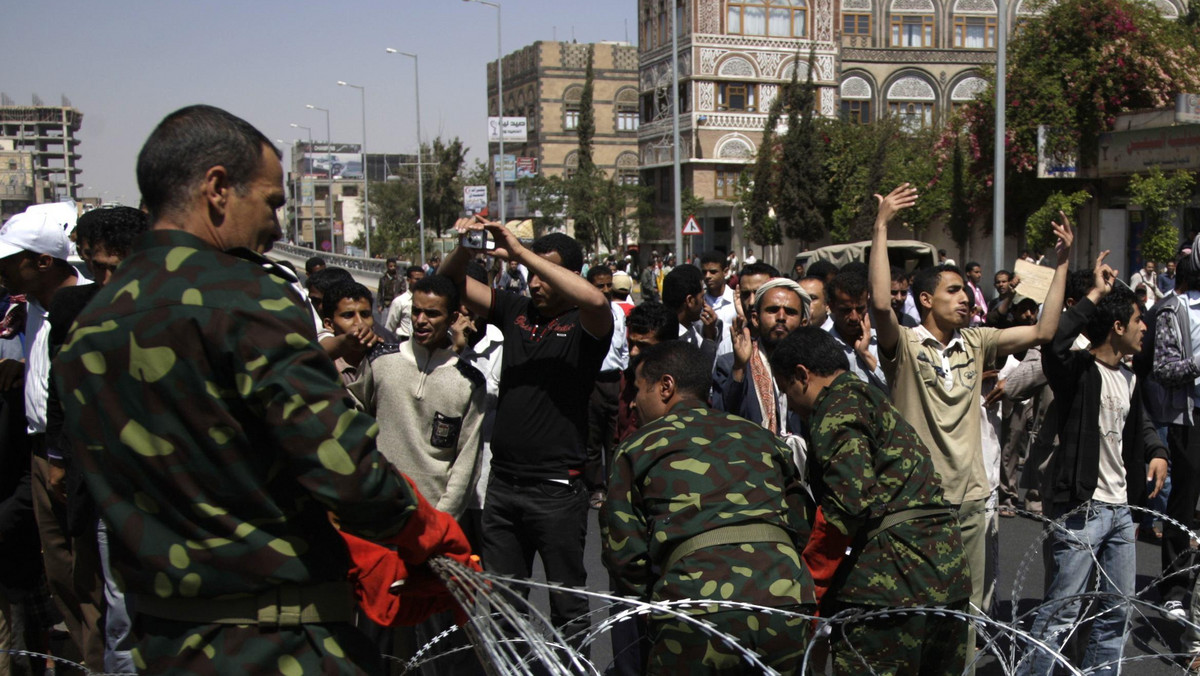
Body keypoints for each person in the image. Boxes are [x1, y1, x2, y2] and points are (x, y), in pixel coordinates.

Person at [54, 104, 475, 672]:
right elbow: (343, 467)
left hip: (164, 644)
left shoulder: (91, 327)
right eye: (273, 202)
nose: (277, 226)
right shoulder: (246, 300)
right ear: (218, 188)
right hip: (278, 643)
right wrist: (427, 534)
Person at [869, 183, 1076, 663]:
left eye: (967, 290)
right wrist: (881, 226)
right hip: (918, 504)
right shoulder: (904, 343)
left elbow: (1045, 331)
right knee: (920, 611)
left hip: (971, 500)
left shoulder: (976, 341)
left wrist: (1061, 263)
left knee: (968, 615)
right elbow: (880, 303)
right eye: (954, 290)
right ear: (924, 299)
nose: (966, 298)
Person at [440, 219, 612, 651]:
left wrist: (520, 253)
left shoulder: (585, 323)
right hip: (503, 487)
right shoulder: (515, 310)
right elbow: (447, 284)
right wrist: (466, 247)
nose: (534, 282)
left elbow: (594, 296)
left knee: (567, 607)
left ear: (567, 275)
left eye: (544, 273)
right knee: (503, 607)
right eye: (530, 274)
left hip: (556, 490)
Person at [601, 341, 814, 675]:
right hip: (785, 598)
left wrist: (665, 592)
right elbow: (801, 519)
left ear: (666, 387)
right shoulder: (761, 438)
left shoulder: (637, 447)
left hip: (696, 606)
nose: (632, 402)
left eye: (638, 391)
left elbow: (625, 555)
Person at [771, 328, 971, 675]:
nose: (789, 402)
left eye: (786, 389)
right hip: (946, 575)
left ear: (802, 375)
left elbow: (848, 501)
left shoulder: (834, 405)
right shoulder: (871, 396)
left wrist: (810, 588)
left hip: (890, 589)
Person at [1020, 256, 1167, 676]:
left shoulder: (1131, 378)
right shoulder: (1078, 373)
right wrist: (1095, 294)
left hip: (1121, 512)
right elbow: (1055, 340)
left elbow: (1140, 429)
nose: (1145, 327)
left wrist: (1157, 452)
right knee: (1061, 614)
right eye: (1138, 320)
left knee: (1116, 614)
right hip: (1084, 509)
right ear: (1117, 327)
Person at [0, 203, 103, 670]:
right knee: (61, 575)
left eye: (10, 260)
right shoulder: (31, 312)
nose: (3, 270)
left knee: (90, 578)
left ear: (42, 261)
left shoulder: (87, 306)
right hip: (41, 456)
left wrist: (63, 457)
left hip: (74, 459)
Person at [48, 205, 149, 673]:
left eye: (117, 266)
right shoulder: (75, 312)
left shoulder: (173, 311)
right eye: (96, 267)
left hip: (172, 488)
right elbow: (63, 396)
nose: (106, 280)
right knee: (121, 615)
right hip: (113, 488)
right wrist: (60, 459)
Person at [1143, 252, 1200, 619]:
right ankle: (1176, 587)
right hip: (1190, 419)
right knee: (1184, 504)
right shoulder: (1174, 310)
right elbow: (1164, 368)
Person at [712, 278, 809, 439]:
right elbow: (722, 419)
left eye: (790, 312)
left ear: (803, 323)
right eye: (772, 310)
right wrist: (739, 368)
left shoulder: (811, 368)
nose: (781, 317)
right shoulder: (729, 364)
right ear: (756, 319)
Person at [584, 265, 629, 510]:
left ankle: (613, 486)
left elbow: (623, 350)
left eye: (608, 285)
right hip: (593, 382)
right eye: (599, 286)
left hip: (615, 381)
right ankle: (596, 488)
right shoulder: (583, 313)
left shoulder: (618, 314)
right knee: (592, 440)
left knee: (614, 440)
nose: (605, 290)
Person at [825, 271, 888, 393]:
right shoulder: (823, 345)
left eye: (860, 309)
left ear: (868, 304)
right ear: (831, 307)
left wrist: (865, 355)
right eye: (846, 310)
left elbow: (897, 389)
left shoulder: (882, 341)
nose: (854, 317)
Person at [320, 281, 382, 388]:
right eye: (348, 315)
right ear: (329, 324)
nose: (359, 322)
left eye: (365, 314)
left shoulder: (383, 360)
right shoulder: (323, 366)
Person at [699, 251, 737, 360]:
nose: (707, 276)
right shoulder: (699, 303)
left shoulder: (736, 301)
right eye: (704, 272)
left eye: (713, 272)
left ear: (725, 272)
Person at [384, 265, 427, 337]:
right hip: (405, 341)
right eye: (417, 279)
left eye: (422, 279)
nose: (420, 282)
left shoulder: (428, 301)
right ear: (408, 280)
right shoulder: (399, 301)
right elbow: (389, 328)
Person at [965, 261, 989, 326]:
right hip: (970, 323)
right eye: (976, 272)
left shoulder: (978, 288)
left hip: (979, 322)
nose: (979, 275)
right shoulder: (966, 288)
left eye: (980, 272)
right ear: (968, 273)